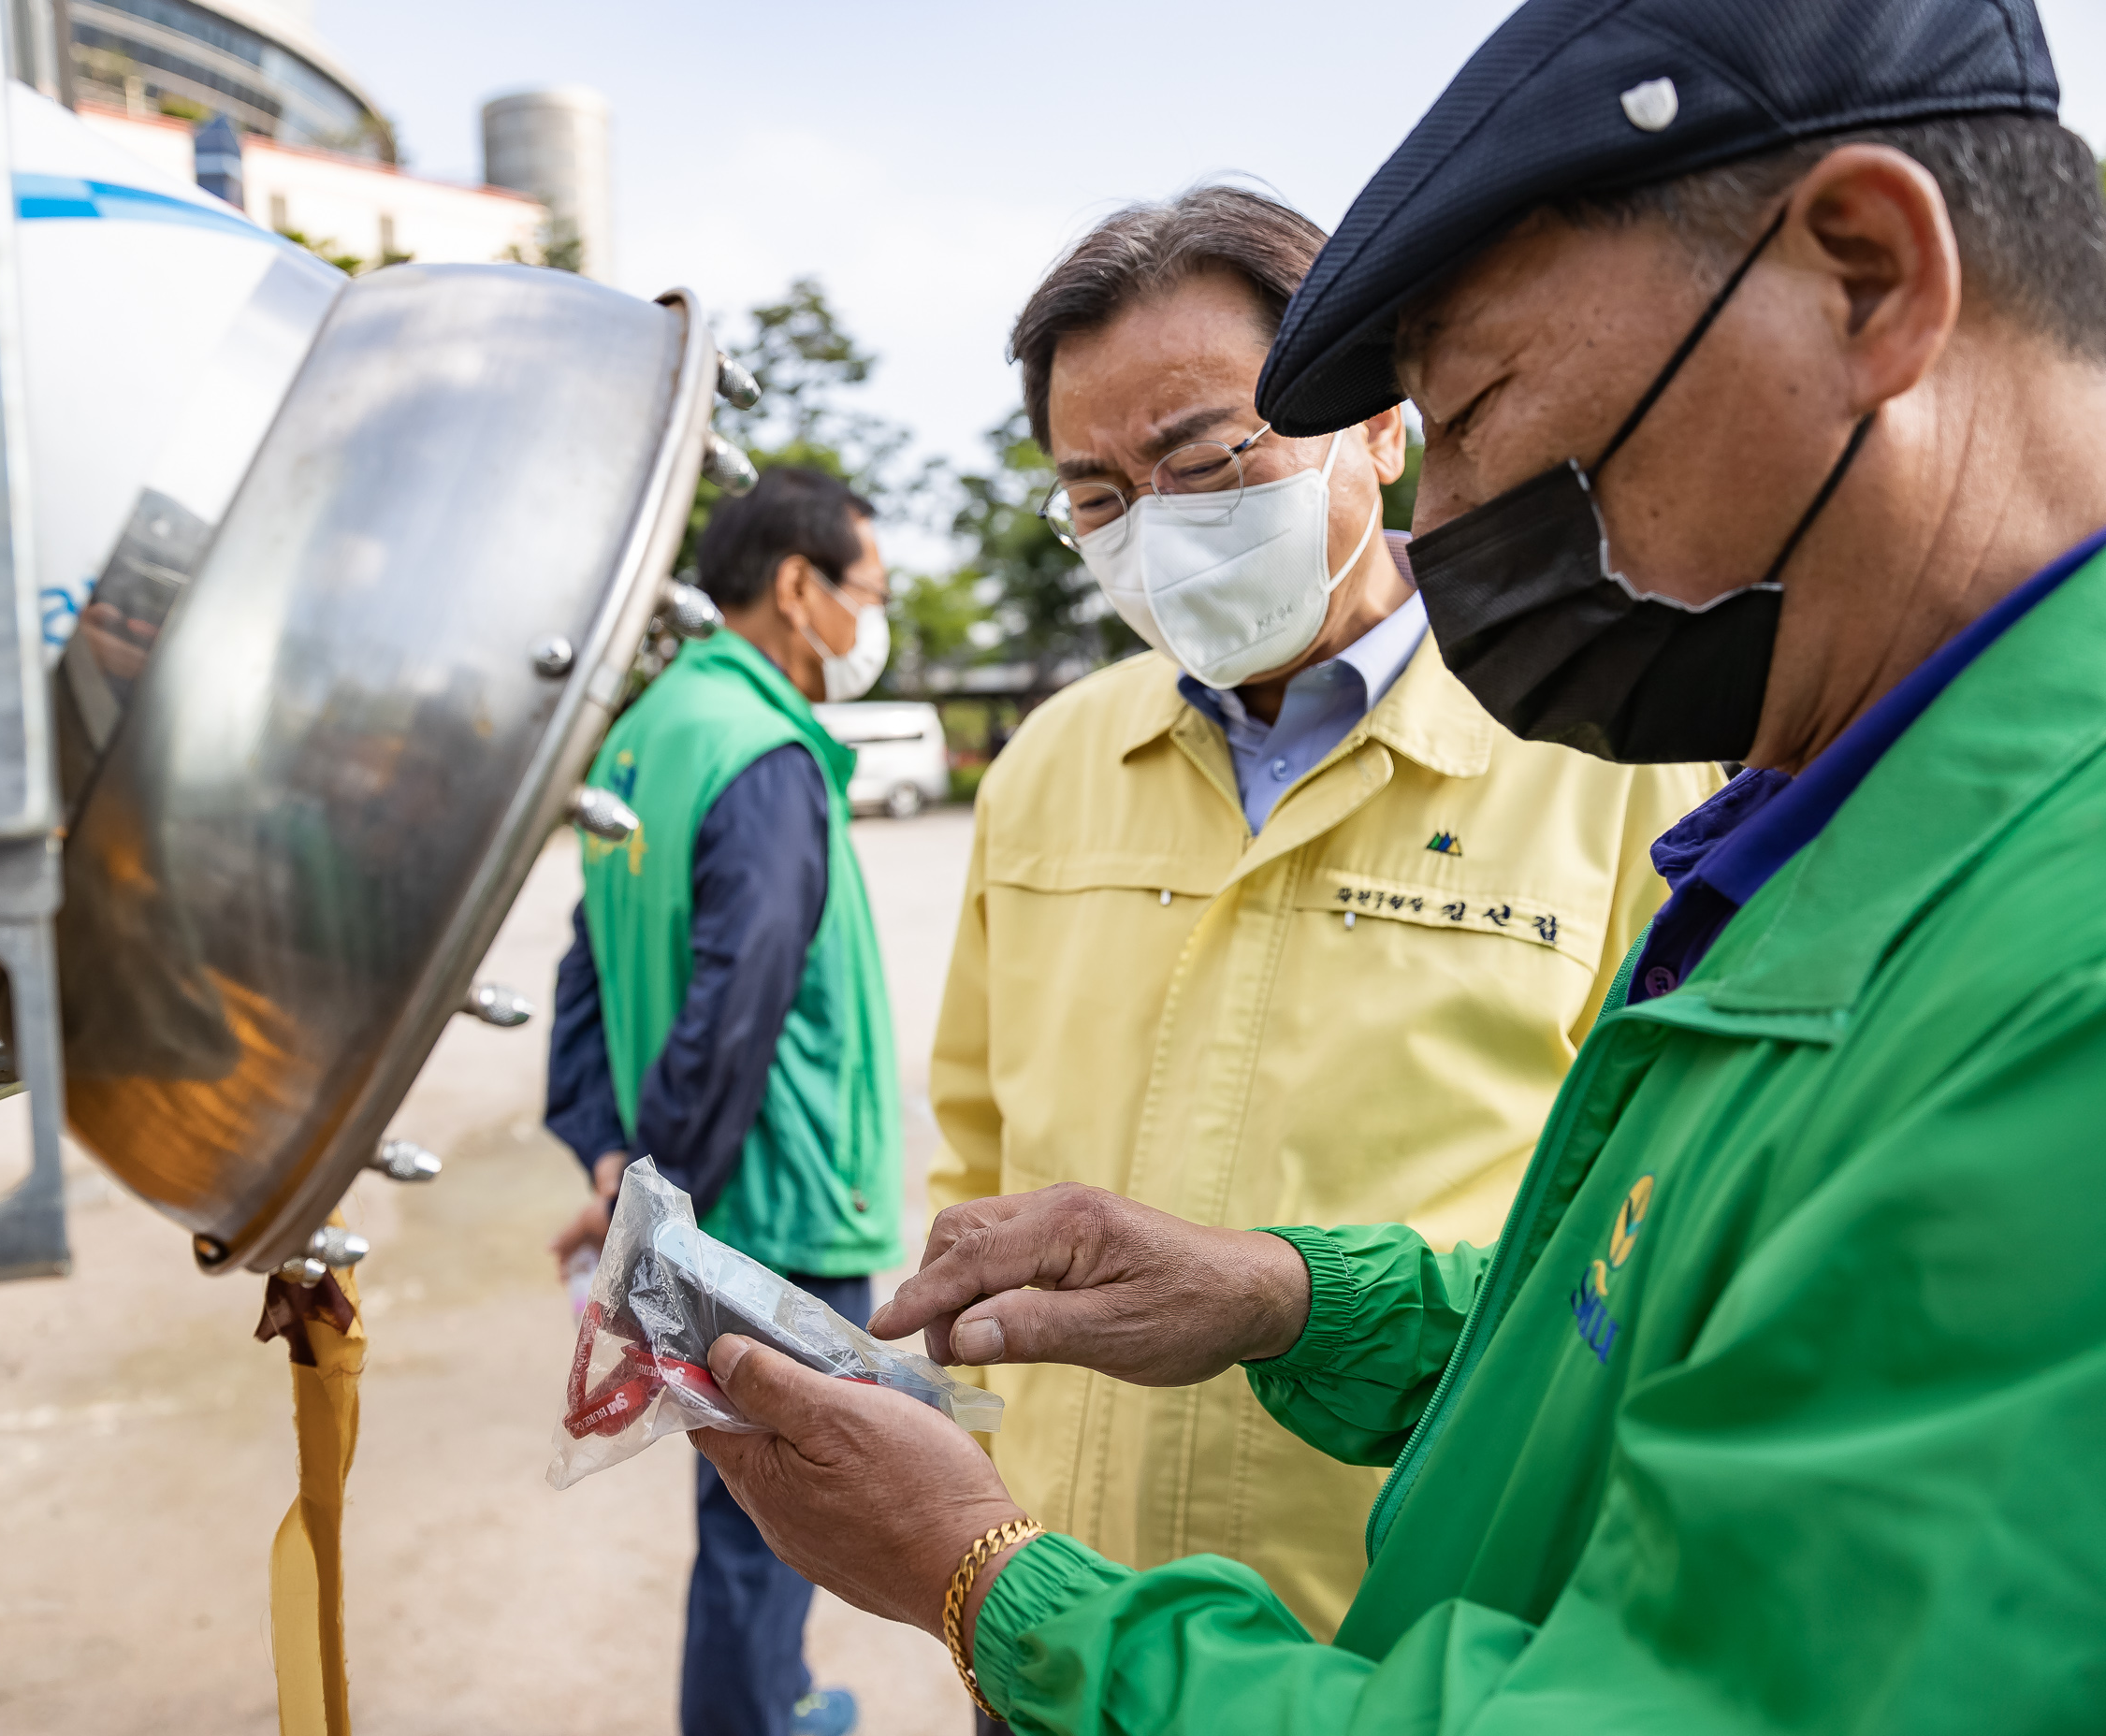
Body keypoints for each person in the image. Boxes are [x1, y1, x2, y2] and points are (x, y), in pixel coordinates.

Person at [683, 1, 2106, 1729]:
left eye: (1485, 409)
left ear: (1867, 280)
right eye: (1095, 494)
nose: (1458, 517)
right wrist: (1287, 1298)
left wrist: (998, 1589)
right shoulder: (1847, 831)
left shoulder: (2039, 965)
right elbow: (1619, 1324)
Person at [929, 186, 1718, 1659]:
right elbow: (975, 1150)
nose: (1158, 532)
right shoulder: (1048, 764)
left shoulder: (1615, 763)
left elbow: (1657, 1232)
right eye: (1098, 496)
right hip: (1047, 1611)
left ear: (1379, 424)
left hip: (1402, 1641)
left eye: (1212, 458)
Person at [545, 467, 903, 1736]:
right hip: (781, 1203)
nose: (878, 618)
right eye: (871, 590)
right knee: (778, 1508)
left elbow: (585, 963)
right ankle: (762, 1717)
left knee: (740, 1499)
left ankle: (773, 1701)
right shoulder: (762, 749)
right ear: (799, 588)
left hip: (693, 1191)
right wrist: (660, 1182)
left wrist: (608, 1150)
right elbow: (740, 993)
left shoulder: (648, 730)